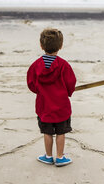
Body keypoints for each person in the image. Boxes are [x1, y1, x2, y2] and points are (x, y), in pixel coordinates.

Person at [27, 28, 76, 167]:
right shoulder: (64, 65)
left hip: (44, 106)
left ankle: (48, 156)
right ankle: (60, 157)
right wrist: (68, 91)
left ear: (41, 46)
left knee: (47, 133)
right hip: (61, 107)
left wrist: (40, 91)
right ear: (60, 46)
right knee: (61, 132)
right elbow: (71, 83)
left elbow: (31, 83)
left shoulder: (36, 65)